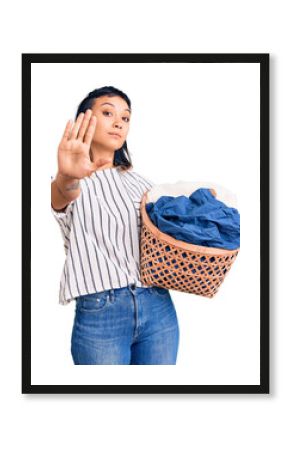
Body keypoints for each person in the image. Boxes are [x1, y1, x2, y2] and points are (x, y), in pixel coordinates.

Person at [51, 86, 179, 365]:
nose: (119, 122)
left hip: (158, 308)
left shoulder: (144, 185)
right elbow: (62, 195)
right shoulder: (71, 180)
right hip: (101, 313)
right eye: (108, 112)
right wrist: (66, 176)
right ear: (86, 119)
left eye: (126, 117)